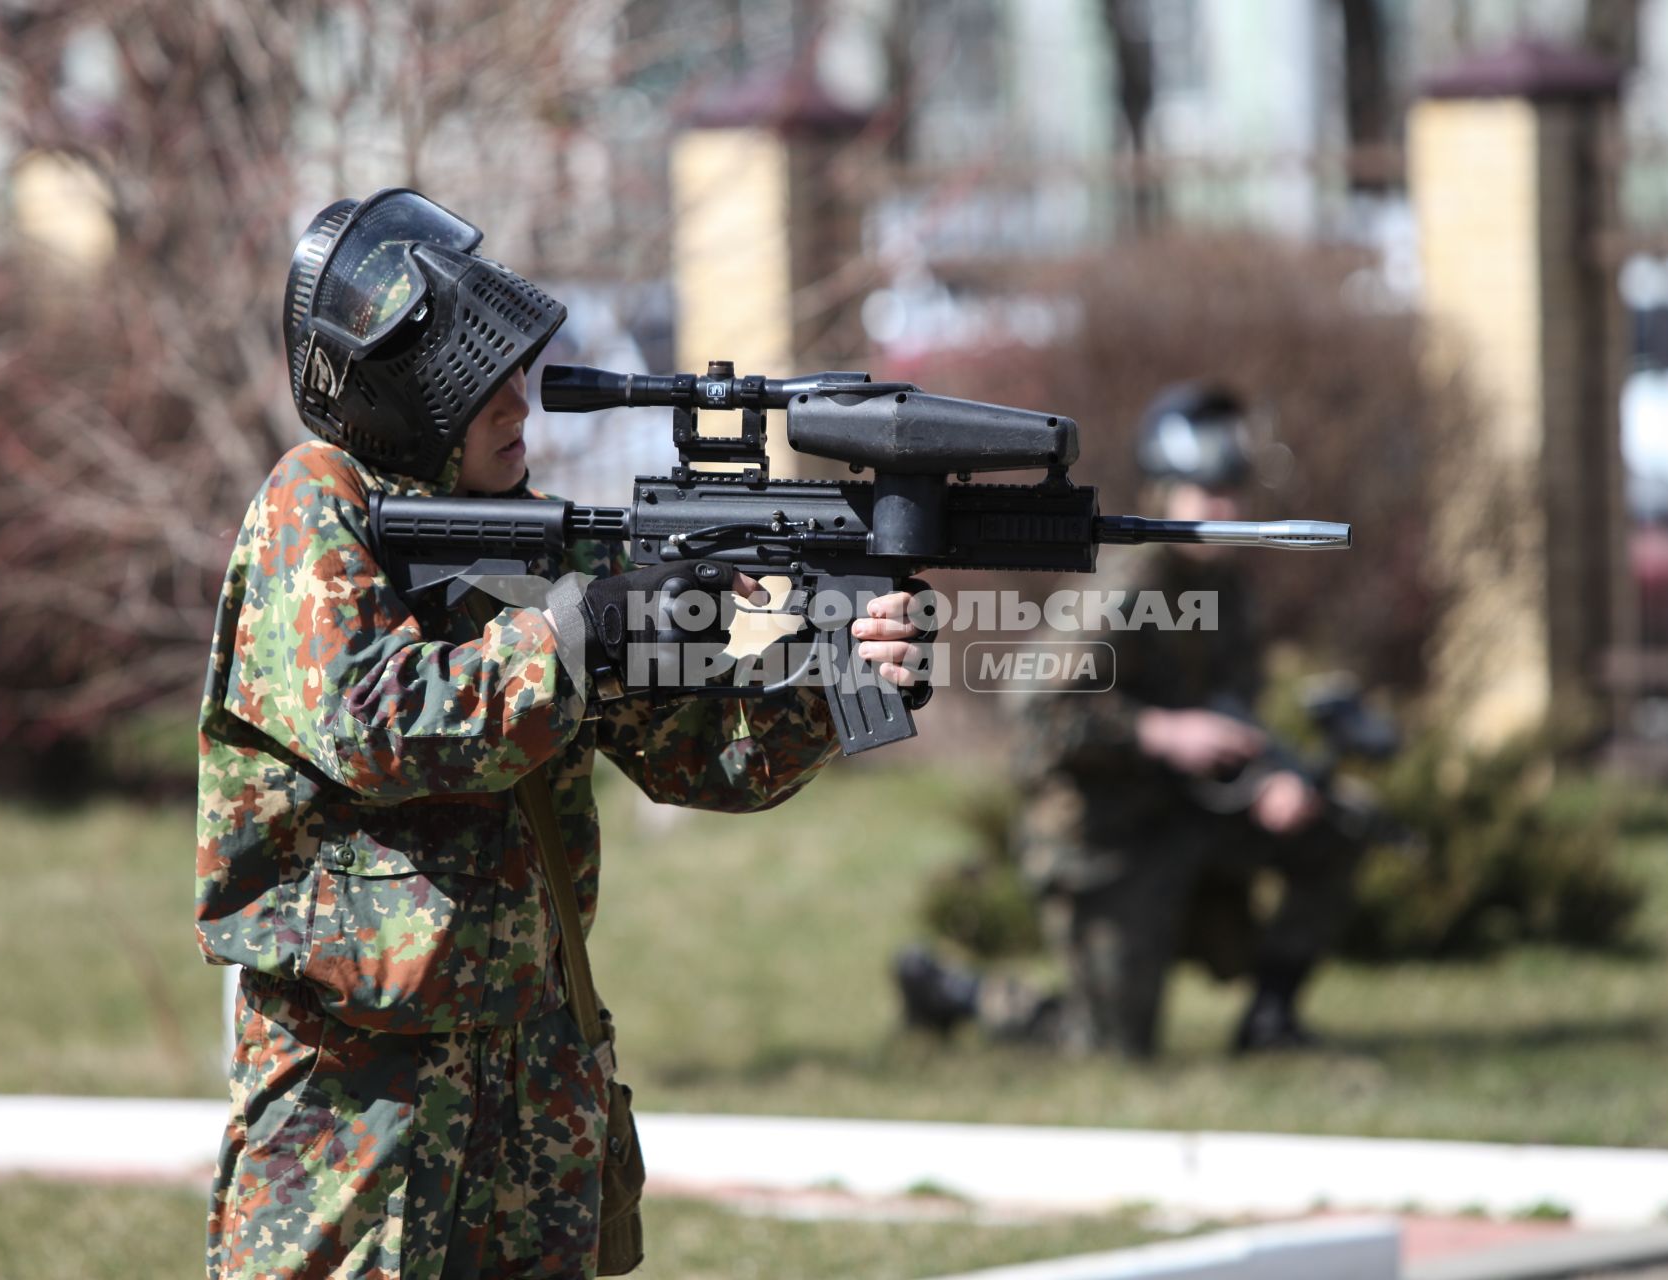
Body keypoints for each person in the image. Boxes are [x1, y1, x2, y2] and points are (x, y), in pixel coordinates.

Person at [197, 188, 924, 1279]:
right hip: (360, 1093)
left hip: (533, 1077)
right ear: (405, 396)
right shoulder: (320, 500)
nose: (518, 399)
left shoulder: (542, 554)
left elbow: (702, 756)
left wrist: (826, 660)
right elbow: (379, 718)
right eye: (480, 379)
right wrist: (587, 628)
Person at [896, 382, 1362, 1059]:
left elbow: (1231, 711)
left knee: (1337, 822)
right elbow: (1035, 710)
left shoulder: (1228, 589)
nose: (1222, 510)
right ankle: (951, 991)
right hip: (1103, 836)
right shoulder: (1129, 585)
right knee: (1109, 1048)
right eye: (1205, 495)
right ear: (1164, 494)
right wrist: (1161, 733)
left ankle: (1270, 1021)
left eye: (1231, 494)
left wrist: (1266, 779)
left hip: (1184, 810)